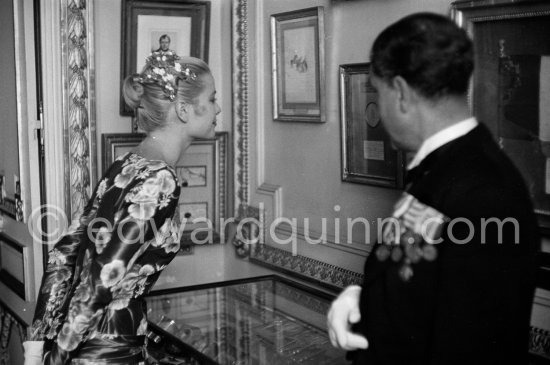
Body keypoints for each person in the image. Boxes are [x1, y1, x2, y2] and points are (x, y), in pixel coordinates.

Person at [327, 12, 540, 365]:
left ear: (401, 93)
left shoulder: (485, 192)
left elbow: (470, 348)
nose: (379, 107)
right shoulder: (443, 168)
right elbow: (420, 280)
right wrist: (362, 299)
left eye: (378, 93)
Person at [23, 51, 220, 364]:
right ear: (184, 109)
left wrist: (38, 346)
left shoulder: (126, 164)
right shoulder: (160, 179)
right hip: (109, 354)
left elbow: (63, 253)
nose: (217, 108)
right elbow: (102, 278)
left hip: (84, 344)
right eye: (212, 99)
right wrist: (55, 359)